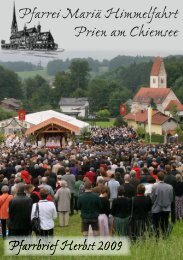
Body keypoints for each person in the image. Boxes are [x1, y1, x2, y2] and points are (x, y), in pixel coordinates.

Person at [151, 172, 173, 238]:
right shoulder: (170, 187)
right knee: (165, 224)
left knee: (156, 224)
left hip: (156, 208)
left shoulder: (154, 186)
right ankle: (164, 236)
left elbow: (152, 198)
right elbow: (171, 199)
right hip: (166, 208)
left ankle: (157, 237)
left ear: (157, 177)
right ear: (164, 178)